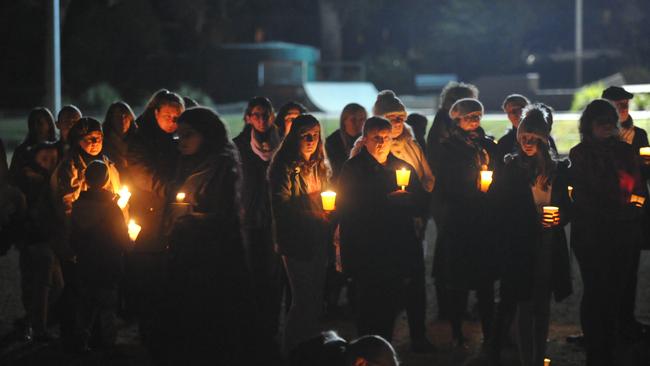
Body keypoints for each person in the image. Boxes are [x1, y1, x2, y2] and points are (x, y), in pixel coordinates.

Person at [153, 107, 264, 365]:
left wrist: (190, 218)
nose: (182, 141)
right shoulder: (185, 163)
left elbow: (225, 218)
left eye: (188, 135)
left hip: (214, 264)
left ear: (207, 135)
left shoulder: (222, 166)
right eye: (178, 135)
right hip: (184, 258)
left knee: (212, 332)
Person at [338, 117, 431, 350]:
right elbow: (346, 207)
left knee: (391, 301)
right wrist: (384, 201)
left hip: (397, 245)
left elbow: (422, 204)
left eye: (386, 138)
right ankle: (365, 349)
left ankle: (385, 349)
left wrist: (411, 200)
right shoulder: (353, 169)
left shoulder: (402, 168)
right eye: (376, 138)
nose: (381, 143)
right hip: (367, 247)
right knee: (368, 302)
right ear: (365, 139)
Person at [490, 106, 572, 366]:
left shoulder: (557, 170)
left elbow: (569, 205)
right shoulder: (511, 167)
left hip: (548, 242)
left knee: (543, 304)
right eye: (523, 137)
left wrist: (560, 216)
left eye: (532, 137)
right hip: (520, 244)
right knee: (524, 302)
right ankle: (528, 360)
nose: (526, 143)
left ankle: (538, 357)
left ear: (543, 137)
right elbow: (497, 205)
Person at [569, 99, 646, 366]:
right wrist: (614, 207)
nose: (606, 128)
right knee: (595, 290)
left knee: (616, 290)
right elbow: (584, 195)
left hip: (623, 231)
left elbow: (638, 188)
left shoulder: (625, 152)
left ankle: (612, 344)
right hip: (592, 234)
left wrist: (634, 209)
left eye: (610, 123)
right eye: (600, 123)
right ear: (589, 125)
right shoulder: (580, 154)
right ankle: (595, 348)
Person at [432, 98, 499, 348]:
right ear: (457, 118)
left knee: (485, 284)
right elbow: (447, 185)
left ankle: (491, 334)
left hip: (483, 222)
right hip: (459, 222)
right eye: (470, 115)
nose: (475, 120)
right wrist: (473, 190)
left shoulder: (486, 144)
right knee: (458, 282)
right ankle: (458, 333)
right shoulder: (448, 148)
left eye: (478, 115)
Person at [50, 117, 122, 347]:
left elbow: (117, 194)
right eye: (89, 138)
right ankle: (73, 336)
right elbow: (66, 204)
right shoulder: (69, 167)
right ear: (77, 140)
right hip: (80, 239)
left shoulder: (107, 164)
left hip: (103, 240)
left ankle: (99, 337)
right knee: (78, 290)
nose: (95, 142)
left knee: (101, 290)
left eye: (99, 137)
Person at [268, 114, 332, 353]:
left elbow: (328, 195)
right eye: (304, 133)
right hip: (295, 240)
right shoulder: (283, 166)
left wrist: (330, 211)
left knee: (315, 299)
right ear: (294, 135)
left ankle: (310, 347)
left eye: (314, 134)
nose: (310, 139)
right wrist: (313, 215)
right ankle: (291, 350)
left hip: (318, 237)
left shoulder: (320, 165)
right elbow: (281, 205)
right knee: (303, 298)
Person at [125, 89, 184, 339]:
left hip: (173, 214)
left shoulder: (179, 140)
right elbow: (142, 174)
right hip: (150, 215)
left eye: (177, 117)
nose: (173, 122)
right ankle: (149, 328)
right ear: (156, 113)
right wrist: (172, 189)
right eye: (168, 116)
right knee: (150, 273)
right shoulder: (141, 140)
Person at [233, 96, 284, 341]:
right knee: (253, 272)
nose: (262, 119)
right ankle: (252, 325)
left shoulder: (282, 144)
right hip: (251, 217)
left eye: (265, 114)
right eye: (256, 115)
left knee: (274, 274)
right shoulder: (240, 145)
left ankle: (271, 325)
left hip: (276, 217)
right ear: (248, 118)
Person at [602, 86, 650, 340]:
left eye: (625, 104)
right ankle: (606, 324)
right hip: (607, 213)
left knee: (630, 267)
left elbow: (644, 176)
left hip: (632, 210)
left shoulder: (639, 134)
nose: (623, 108)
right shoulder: (600, 136)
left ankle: (626, 320)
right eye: (617, 104)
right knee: (606, 269)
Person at [70, 160, 130, 351]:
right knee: (107, 305)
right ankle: (108, 343)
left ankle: (81, 340)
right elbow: (120, 234)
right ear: (106, 180)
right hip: (107, 262)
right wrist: (129, 245)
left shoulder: (78, 206)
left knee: (86, 303)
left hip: (86, 262)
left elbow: (73, 235)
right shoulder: (111, 209)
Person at [352, 90, 434, 192]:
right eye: (392, 117)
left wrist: (419, 195)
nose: (398, 122)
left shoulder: (412, 145)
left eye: (400, 117)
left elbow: (428, 177)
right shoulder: (369, 147)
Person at [9, 107, 57, 185]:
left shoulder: (58, 149)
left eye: (40, 123)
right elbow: (12, 178)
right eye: (32, 123)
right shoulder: (21, 151)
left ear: (49, 125)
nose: (35, 127)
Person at [326, 103, 367, 181]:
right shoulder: (332, 141)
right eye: (353, 120)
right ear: (344, 120)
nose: (358, 123)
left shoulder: (366, 140)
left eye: (361, 119)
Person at [102, 101, 137, 175]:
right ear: (111, 119)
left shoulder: (139, 141)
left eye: (125, 116)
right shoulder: (102, 143)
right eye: (117, 116)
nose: (122, 120)